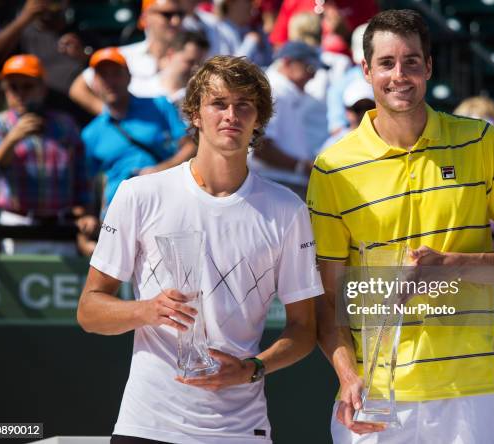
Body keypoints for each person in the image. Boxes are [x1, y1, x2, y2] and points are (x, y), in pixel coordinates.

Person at [307, 10, 494, 443]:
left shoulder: (480, 142)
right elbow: (329, 303)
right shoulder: (331, 169)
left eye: (412, 62)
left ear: (429, 68)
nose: (399, 75)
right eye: (386, 63)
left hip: (468, 393)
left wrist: (454, 264)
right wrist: (347, 376)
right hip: (373, 395)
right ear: (366, 70)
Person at [77, 55, 322, 443]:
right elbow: (90, 310)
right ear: (194, 113)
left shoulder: (287, 209)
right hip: (147, 423)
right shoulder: (140, 195)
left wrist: (251, 368)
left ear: (259, 119)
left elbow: (305, 328)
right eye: (218, 103)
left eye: (244, 105)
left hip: (240, 430)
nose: (232, 115)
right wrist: (147, 309)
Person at [0, 54, 91, 255]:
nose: (20, 94)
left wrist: (86, 212)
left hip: (61, 225)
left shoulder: (65, 125)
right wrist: (13, 138)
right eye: (13, 87)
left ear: (42, 88)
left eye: (27, 86)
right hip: (17, 224)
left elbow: (82, 178)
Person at [81, 47, 191, 217]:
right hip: (118, 214)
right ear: (94, 83)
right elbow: (86, 186)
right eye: (103, 75)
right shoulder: (91, 133)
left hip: (166, 205)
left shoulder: (160, 106)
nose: (110, 81)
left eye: (116, 73)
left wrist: (161, 169)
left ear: (129, 77)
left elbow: (191, 147)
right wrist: (88, 218)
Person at [69, 0, 187, 115]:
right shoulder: (125, 55)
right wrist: (114, 120)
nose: (176, 21)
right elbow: (78, 89)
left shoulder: (197, 54)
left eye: (180, 15)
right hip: (140, 131)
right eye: (167, 15)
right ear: (145, 17)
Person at [250, 41, 326, 195]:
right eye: (310, 68)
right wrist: (302, 166)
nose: (313, 75)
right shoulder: (274, 92)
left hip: (283, 184)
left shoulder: (282, 92)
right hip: (276, 184)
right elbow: (260, 147)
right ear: (287, 63)